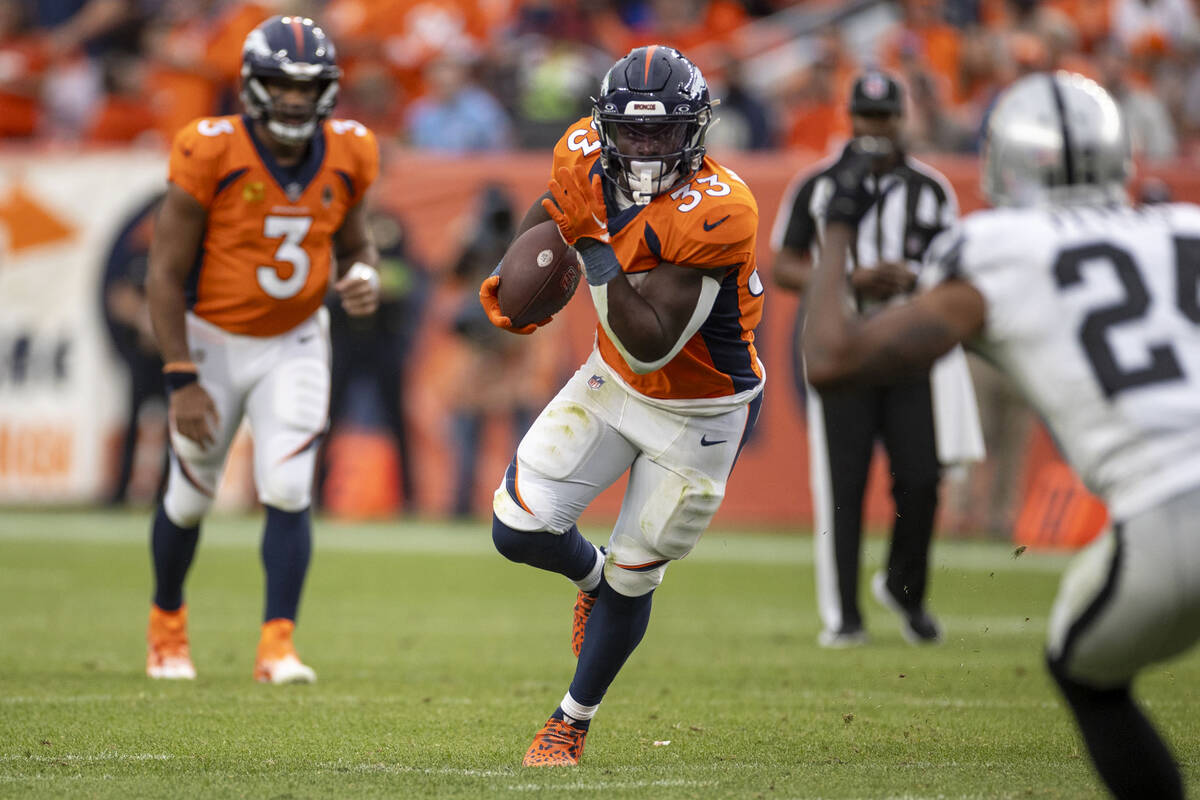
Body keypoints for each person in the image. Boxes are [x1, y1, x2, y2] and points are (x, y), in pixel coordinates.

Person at [802, 71, 1200, 800]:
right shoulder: (1185, 225)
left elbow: (831, 360)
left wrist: (837, 229)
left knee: (1084, 671)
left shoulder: (1000, 246)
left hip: (1171, 517)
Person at [478, 45, 764, 766]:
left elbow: (652, 345)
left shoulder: (721, 208)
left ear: (695, 130)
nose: (643, 147)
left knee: (638, 569)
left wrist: (588, 244)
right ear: (603, 125)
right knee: (518, 526)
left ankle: (570, 720)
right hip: (613, 380)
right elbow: (556, 207)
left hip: (698, 407)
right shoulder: (579, 149)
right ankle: (588, 578)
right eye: (631, 132)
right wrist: (523, 279)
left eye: (662, 132)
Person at [143, 15, 381, 684]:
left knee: (288, 484)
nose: (296, 99)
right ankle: (167, 628)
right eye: (281, 84)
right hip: (211, 339)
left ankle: (276, 645)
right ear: (253, 85)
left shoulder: (351, 150)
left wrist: (361, 274)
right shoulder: (210, 148)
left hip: (296, 340)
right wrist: (180, 376)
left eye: (308, 86)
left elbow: (357, 244)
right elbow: (162, 272)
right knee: (189, 498)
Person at [771, 69, 974, 648]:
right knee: (843, 484)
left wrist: (918, 278)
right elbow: (785, 263)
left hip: (908, 345)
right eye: (866, 115)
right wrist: (848, 278)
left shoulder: (931, 188)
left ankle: (905, 586)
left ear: (901, 118)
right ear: (851, 116)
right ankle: (844, 615)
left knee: (920, 479)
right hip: (842, 346)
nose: (876, 127)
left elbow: (953, 265)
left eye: (885, 116)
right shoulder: (817, 184)